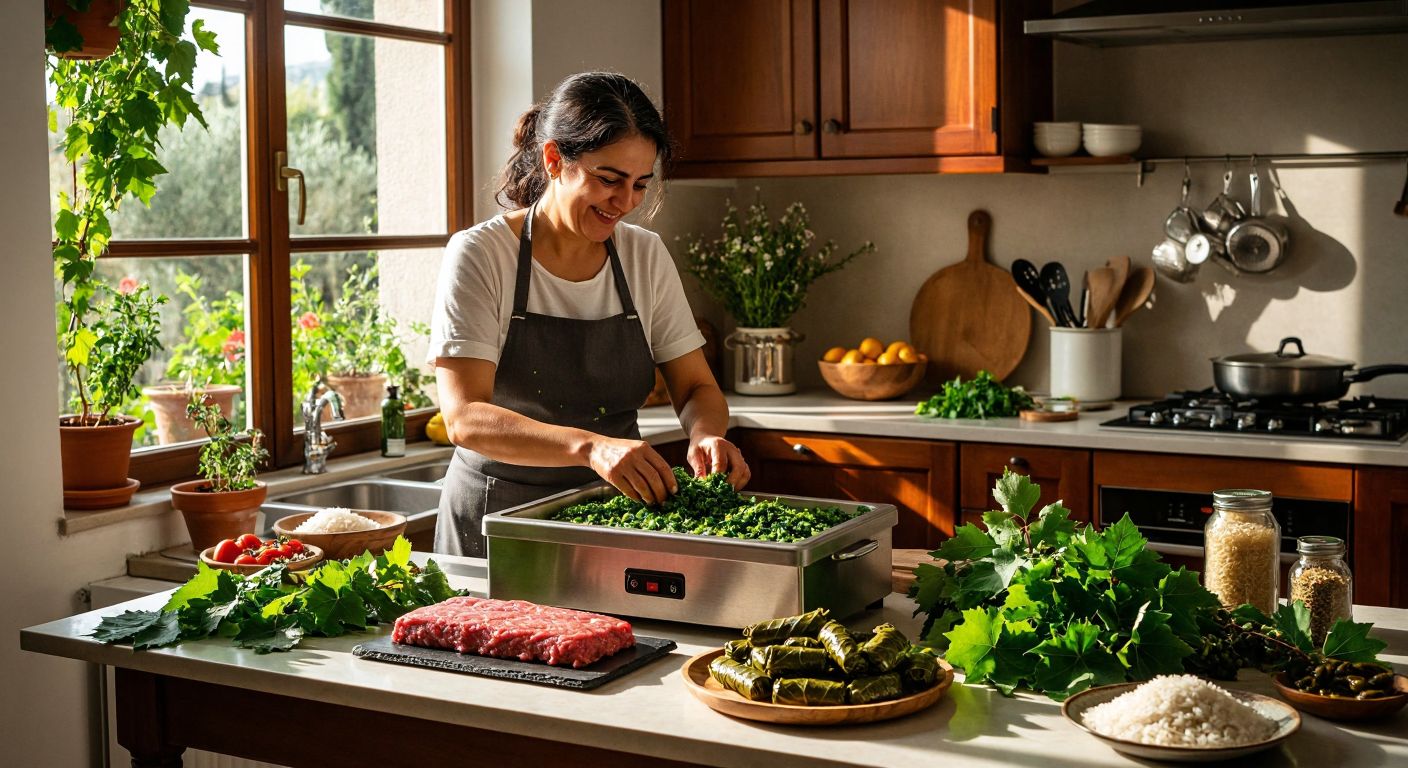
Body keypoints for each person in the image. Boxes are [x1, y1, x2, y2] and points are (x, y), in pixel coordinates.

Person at [427, 72, 749, 557]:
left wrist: (707, 435)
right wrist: (591, 447)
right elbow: (465, 417)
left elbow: (696, 387)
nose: (626, 203)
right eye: (609, 180)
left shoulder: (645, 255)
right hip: (496, 523)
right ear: (555, 160)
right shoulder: (480, 254)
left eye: (641, 184)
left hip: (614, 517)